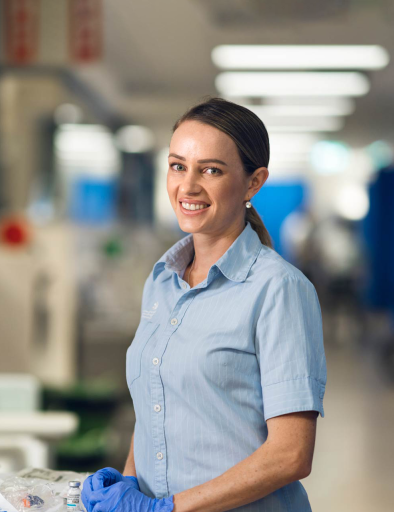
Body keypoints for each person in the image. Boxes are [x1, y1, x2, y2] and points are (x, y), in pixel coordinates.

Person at [82, 98, 327, 512]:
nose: (188, 186)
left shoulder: (279, 289)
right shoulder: (161, 281)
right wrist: (126, 487)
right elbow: (154, 409)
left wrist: (169, 509)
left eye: (211, 170)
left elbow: (291, 455)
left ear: (254, 182)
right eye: (178, 166)